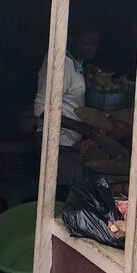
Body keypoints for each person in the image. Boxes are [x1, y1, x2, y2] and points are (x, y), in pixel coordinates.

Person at [34, 18, 101, 187]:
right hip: (57, 145)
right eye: (86, 43)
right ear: (71, 39)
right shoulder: (60, 63)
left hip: (70, 144)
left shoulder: (75, 62)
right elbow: (42, 109)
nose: (92, 48)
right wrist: (81, 127)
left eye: (95, 43)